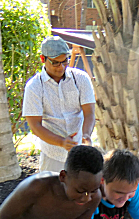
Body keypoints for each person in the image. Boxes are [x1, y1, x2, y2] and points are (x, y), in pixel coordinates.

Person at [23, 36, 96, 173]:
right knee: (53, 193)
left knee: (83, 192)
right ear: (43, 59)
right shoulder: (34, 87)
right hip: (52, 154)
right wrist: (61, 142)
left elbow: (89, 113)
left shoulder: (80, 78)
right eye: (55, 63)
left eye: (65, 61)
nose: (61, 67)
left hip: (81, 152)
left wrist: (86, 135)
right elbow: (35, 126)